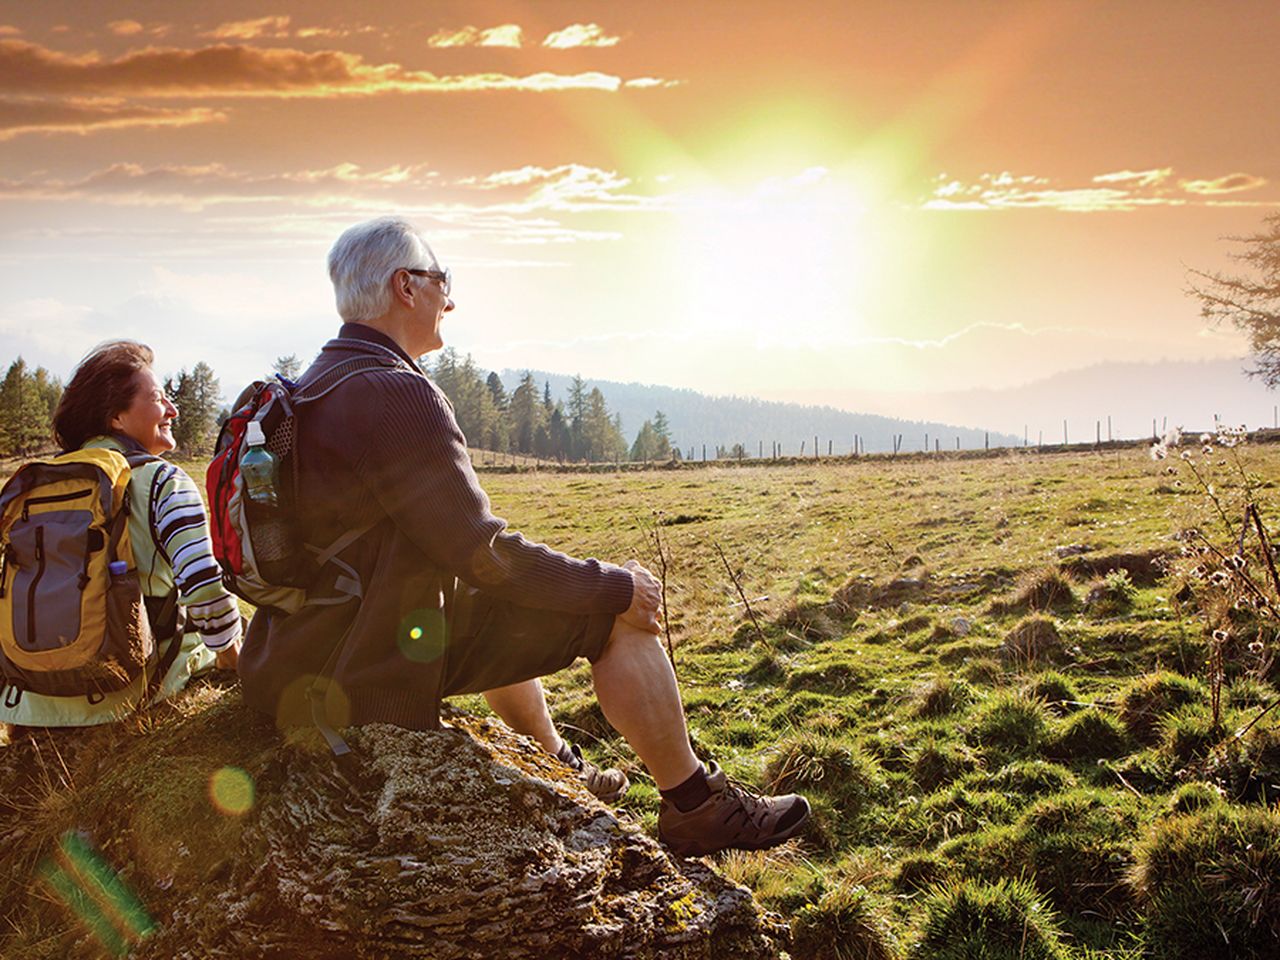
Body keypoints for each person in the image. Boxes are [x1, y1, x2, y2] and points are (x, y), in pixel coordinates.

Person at [238, 216, 809, 856]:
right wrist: (615, 585)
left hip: (293, 656)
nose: (448, 299)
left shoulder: (312, 384)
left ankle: (560, 763)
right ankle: (696, 806)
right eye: (440, 280)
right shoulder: (395, 394)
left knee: (498, 602)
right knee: (612, 618)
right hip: (358, 671)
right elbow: (484, 557)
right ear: (405, 287)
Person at [0, 341, 242, 727]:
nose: (172, 410)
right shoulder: (164, 480)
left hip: (32, 700)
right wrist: (233, 659)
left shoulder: (40, 484)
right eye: (159, 398)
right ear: (116, 418)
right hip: (128, 691)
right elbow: (202, 586)